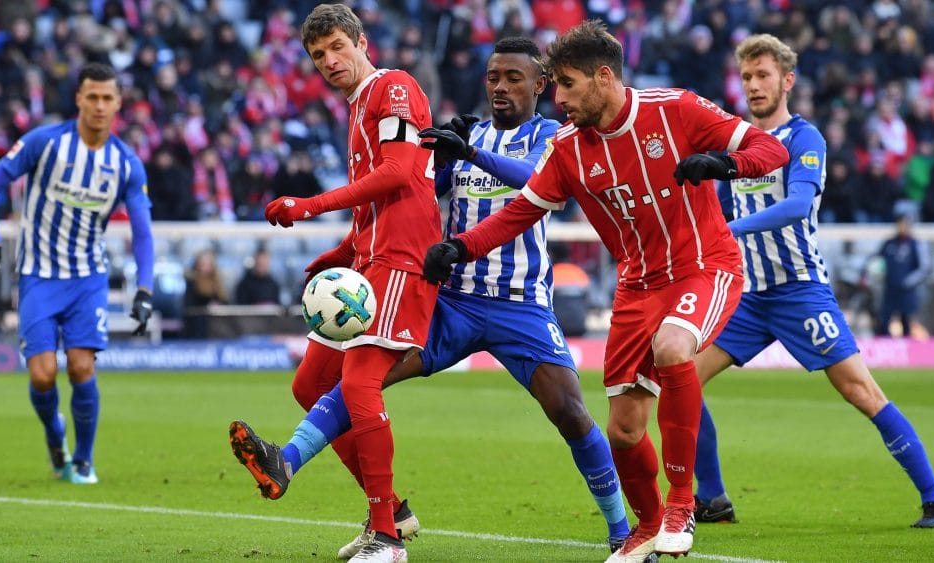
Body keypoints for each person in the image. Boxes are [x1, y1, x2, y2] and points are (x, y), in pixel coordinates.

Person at [243, 36, 636, 558]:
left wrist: (472, 153)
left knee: (568, 411)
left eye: (514, 78)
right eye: (493, 77)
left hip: (520, 304)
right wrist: (441, 163)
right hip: (451, 300)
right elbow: (419, 194)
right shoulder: (465, 132)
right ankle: (288, 461)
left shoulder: (556, 135)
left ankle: (620, 529)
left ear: (540, 85)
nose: (500, 87)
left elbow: (545, 187)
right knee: (365, 376)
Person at [423, 21, 789, 563]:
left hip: (704, 267)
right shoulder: (568, 147)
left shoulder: (676, 108)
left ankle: (682, 503)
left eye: (567, 85)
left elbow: (768, 150)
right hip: (637, 286)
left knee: (672, 349)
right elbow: (522, 211)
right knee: (622, 429)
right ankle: (643, 529)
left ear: (603, 77)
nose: (560, 98)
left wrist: (725, 165)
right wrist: (462, 247)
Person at [691, 34, 934, 530]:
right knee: (682, 376)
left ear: (787, 81)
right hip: (748, 296)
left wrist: (726, 231)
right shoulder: (739, 141)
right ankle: (712, 497)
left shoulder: (804, 138)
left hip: (799, 290)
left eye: (764, 75)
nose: (754, 85)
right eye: (747, 76)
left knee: (861, 391)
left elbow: (795, 206)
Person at [227, 4, 442, 562]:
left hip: (402, 261)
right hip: (369, 262)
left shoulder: (393, 87)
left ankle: (386, 539)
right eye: (318, 55)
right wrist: (340, 251)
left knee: (360, 384)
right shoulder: (355, 111)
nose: (328, 60)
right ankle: (391, 508)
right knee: (309, 385)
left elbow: (398, 172)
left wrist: (309, 206)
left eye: (336, 48)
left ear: (361, 42)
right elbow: (378, 200)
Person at [0, 62, 155, 485]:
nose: (100, 106)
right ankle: (56, 439)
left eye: (108, 98)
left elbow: (143, 234)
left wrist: (144, 288)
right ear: (78, 99)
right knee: (42, 374)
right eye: (92, 97)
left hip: (88, 278)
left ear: (118, 103)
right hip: (37, 275)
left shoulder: (126, 164)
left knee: (80, 367)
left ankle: (84, 460)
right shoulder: (44, 142)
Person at [866, 214, 928, 337]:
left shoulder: (915, 244)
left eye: (905, 225)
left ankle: (907, 350)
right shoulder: (889, 243)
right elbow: (876, 259)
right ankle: (884, 349)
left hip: (907, 291)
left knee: (906, 322)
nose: (902, 227)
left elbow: (923, 268)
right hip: (890, 289)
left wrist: (907, 282)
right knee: (884, 321)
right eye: (900, 224)